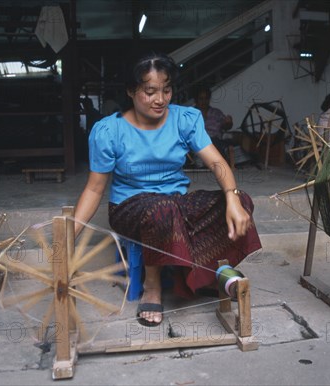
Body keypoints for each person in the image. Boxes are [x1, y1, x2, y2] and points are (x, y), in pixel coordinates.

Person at [73, 52, 262, 327]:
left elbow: (217, 163)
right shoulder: (109, 131)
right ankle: (153, 286)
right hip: (131, 207)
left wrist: (232, 198)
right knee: (162, 209)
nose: (160, 99)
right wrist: (70, 232)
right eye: (150, 91)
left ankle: (203, 273)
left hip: (175, 202)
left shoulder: (184, 120)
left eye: (166, 90)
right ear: (131, 91)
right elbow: (93, 190)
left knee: (240, 198)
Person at [194, 85, 234, 161]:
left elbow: (226, 126)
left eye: (206, 98)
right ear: (196, 100)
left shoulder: (216, 113)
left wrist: (228, 122)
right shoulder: (191, 114)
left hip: (216, 143)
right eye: (201, 99)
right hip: (198, 145)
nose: (204, 101)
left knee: (221, 143)